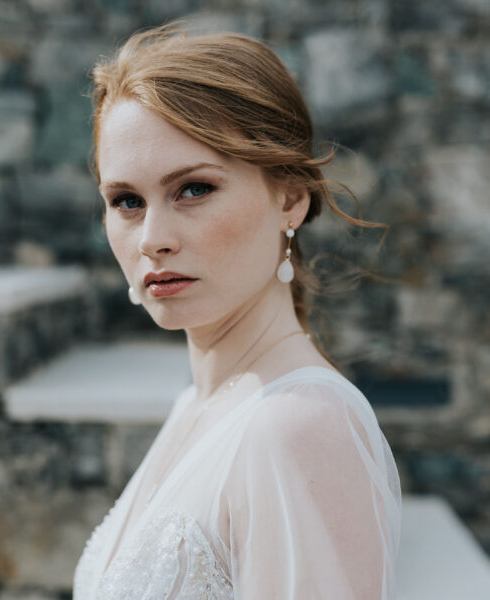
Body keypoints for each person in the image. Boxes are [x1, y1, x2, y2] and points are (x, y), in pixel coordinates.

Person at [74, 23, 402, 600]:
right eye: (126, 200)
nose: (152, 238)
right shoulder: (201, 403)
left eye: (194, 189)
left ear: (290, 198)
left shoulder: (300, 426)